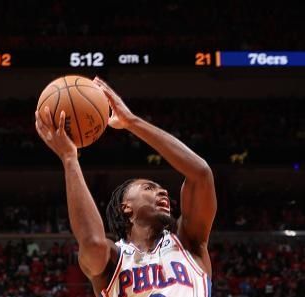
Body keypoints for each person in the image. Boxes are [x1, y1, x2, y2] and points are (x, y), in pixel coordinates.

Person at [35, 77, 217, 297]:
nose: (163, 192)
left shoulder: (189, 243)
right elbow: (92, 242)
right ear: (126, 208)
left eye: (160, 188)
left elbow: (201, 174)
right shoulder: (114, 259)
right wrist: (69, 159)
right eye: (149, 188)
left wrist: (132, 122)